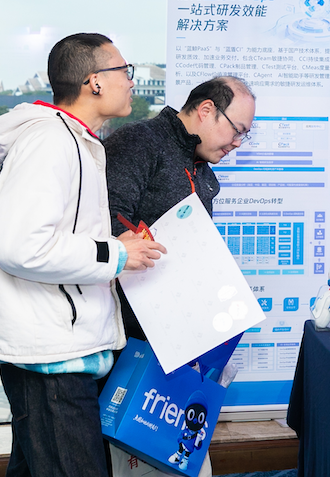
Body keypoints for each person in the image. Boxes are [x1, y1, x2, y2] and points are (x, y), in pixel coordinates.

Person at [0, 33, 165, 477]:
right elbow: (20, 244)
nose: (131, 82)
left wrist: (114, 244)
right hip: (52, 360)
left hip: (61, 352)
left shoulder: (74, 140)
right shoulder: (50, 142)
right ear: (94, 82)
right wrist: (116, 253)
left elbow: (57, 236)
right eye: (125, 71)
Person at [104, 75, 256, 340]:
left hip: (178, 324)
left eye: (244, 135)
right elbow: (107, 221)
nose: (237, 143)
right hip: (127, 327)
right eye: (237, 130)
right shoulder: (139, 142)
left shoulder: (203, 171)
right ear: (206, 110)